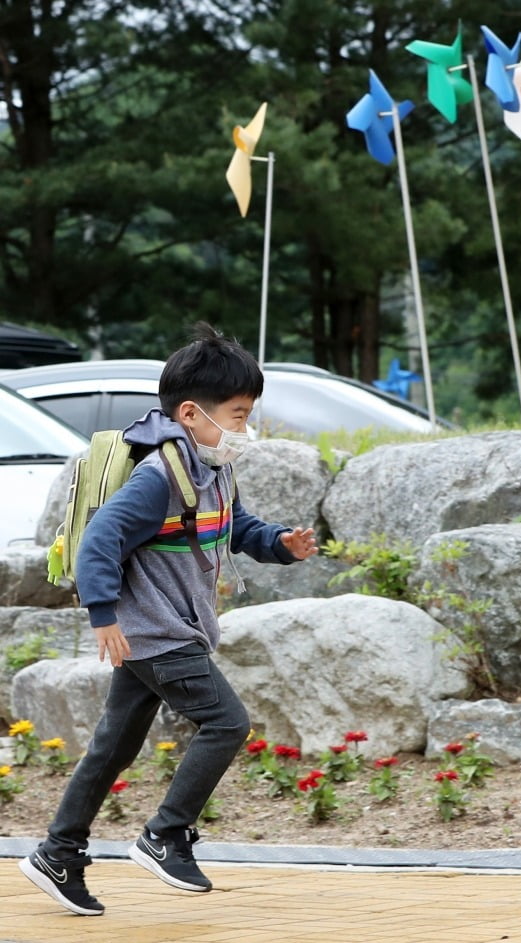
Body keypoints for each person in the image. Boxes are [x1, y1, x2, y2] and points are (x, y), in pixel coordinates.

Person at [18, 323, 317, 916]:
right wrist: (102, 614)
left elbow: (236, 528)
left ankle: (58, 851)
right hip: (156, 632)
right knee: (228, 723)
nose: (244, 428)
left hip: (158, 632)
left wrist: (282, 543)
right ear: (190, 413)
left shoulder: (213, 469)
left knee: (114, 745)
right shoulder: (160, 475)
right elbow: (99, 541)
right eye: (236, 414)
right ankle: (166, 834)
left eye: (247, 413)